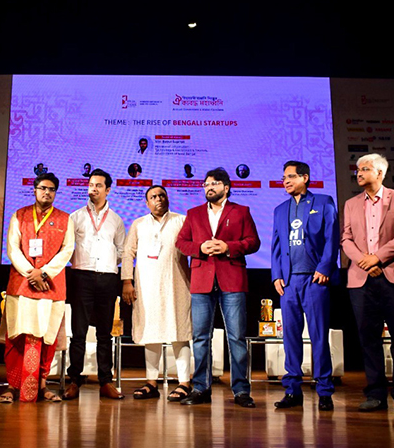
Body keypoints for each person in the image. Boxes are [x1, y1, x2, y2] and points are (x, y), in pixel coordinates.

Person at [175, 168, 261, 408]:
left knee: (236, 337)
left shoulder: (241, 211)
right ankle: (201, 388)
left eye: (214, 183)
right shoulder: (193, 214)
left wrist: (228, 247)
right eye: (205, 184)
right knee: (201, 337)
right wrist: (200, 249)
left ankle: (241, 390)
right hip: (202, 281)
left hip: (231, 278)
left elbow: (253, 242)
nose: (208, 187)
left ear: (226, 187)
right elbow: (181, 242)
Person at [341, 153, 394, 414]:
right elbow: (346, 239)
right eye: (358, 169)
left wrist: (378, 258)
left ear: (380, 173)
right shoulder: (351, 203)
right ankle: (375, 394)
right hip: (361, 280)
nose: (359, 173)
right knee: (368, 339)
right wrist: (364, 261)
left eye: (366, 169)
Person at [271, 161, 339, 411]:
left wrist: (325, 267)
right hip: (289, 282)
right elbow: (276, 246)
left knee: (319, 336)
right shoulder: (280, 209)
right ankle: (293, 390)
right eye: (284, 177)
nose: (286, 181)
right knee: (290, 337)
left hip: (314, 279)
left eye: (291, 176)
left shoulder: (323, 202)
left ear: (305, 177)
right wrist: (276, 275)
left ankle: (324, 391)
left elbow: (332, 237)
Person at [1, 172, 74, 403]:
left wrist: (43, 273)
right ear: (34, 189)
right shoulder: (20, 215)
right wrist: (31, 274)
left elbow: (67, 250)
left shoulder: (65, 219)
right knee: (17, 336)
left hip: (51, 287)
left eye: (51, 189)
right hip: (21, 285)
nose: (47, 192)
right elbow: (12, 249)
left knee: (47, 337)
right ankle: (12, 386)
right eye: (43, 188)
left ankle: (41, 385)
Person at [122, 185, 192, 401]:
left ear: (168, 198)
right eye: (153, 197)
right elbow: (127, 252)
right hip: (146, 286)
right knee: (150, 333)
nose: (158, 199)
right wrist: (127, 281)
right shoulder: (139, 224)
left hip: (177, 284)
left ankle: (184, 382)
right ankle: (151, 382)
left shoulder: (181, 221)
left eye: (162, 195)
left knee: (180, 333)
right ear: (147, 203)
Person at [63, 169, 127, 400]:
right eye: (91, 185)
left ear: (108, 189)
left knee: (104, 334)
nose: (93, 189)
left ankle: (105, 381)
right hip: (81, 277)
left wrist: (107, 266)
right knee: (78, 333)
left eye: (99, 185)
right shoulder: (75, 217)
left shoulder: (117, 219)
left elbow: (122, 251)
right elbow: (66, 249)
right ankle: (74, 381)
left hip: (108, 278)